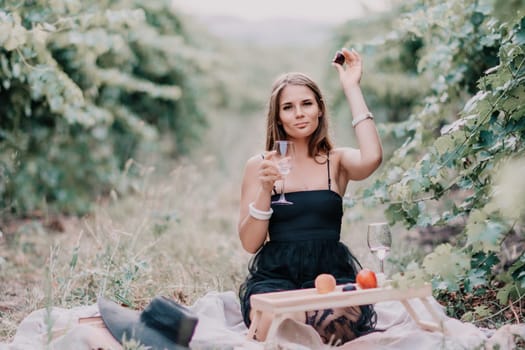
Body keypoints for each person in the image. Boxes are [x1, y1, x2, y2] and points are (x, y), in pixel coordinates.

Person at [237, 47, 383, 345]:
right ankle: (294, 324)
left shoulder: (336, 161)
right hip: (277, 274)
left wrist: (351, 87)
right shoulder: (259, 165)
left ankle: (307, 326)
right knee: (276, 322)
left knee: (334, 323)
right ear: (277, 116)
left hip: (329, 273)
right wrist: (266, 190)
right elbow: (250, 243)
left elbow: (373, 157)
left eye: (307, 103)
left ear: (320, 108)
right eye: (288, 107)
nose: (300, 113)